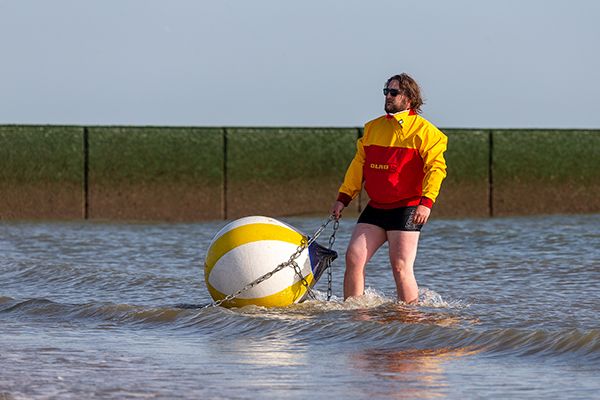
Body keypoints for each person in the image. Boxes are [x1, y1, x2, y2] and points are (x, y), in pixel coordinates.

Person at [330, 73, 448, 304]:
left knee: (400, 267)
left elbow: (437, 169)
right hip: (376, 207)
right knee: (353, 257)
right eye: (386, 91)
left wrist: (426, 203)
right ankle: (354, 316)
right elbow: (358, 167)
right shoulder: (373, 128)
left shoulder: (427, 133)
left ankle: (409, 319)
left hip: (407, 207)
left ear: (409, 98)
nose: (388, 96)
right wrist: (343, 198)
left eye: (394, 92)